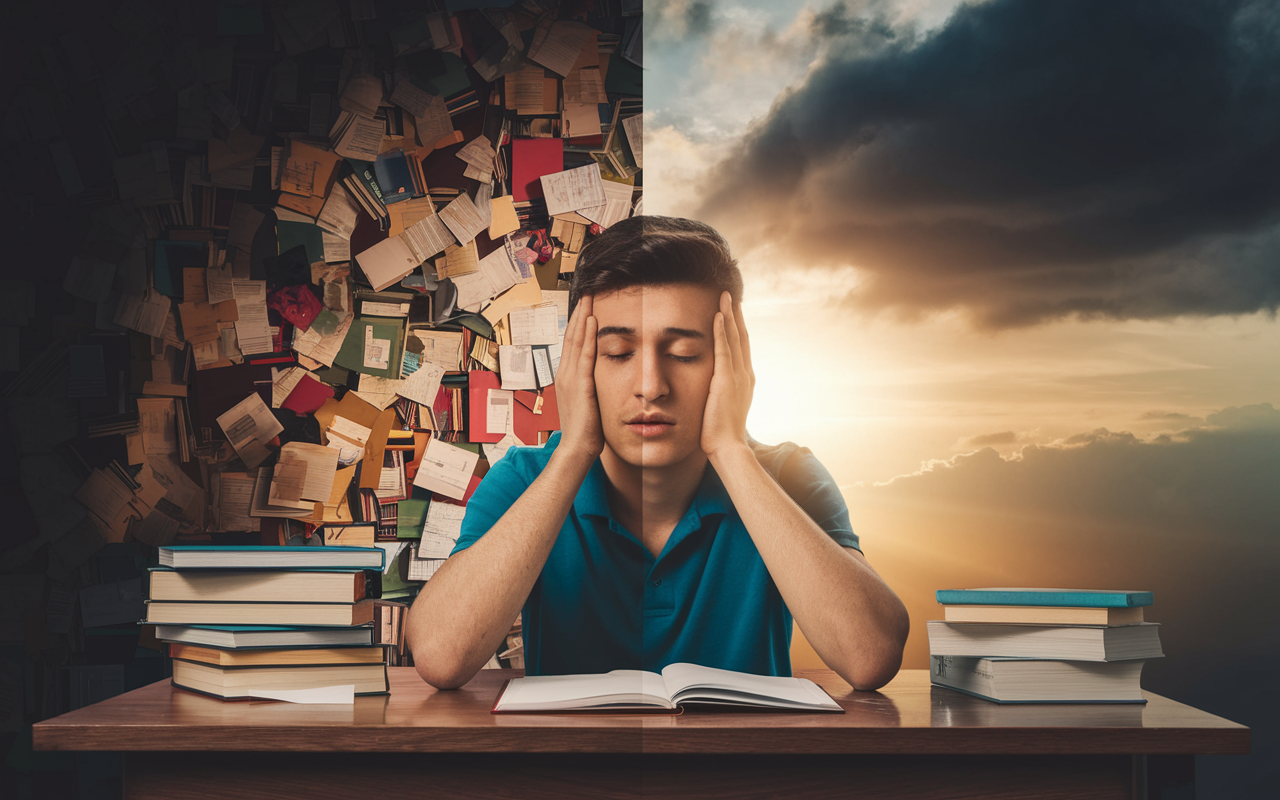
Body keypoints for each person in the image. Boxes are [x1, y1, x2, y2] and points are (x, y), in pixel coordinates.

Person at [407, 216, 909, 691]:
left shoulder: (788, 476)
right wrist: (575, 450)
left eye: (685, 354)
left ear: (731, 364)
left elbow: (870, 658)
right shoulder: (523, 480)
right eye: (619, 353)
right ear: (581, 364)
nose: (650, 386)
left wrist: (731, 450)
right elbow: (440, 656)